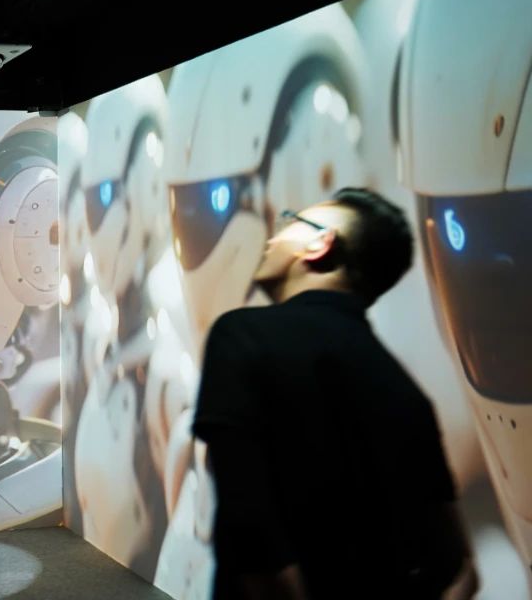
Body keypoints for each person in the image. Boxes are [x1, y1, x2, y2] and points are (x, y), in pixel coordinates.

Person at [192, 188, 479, 599]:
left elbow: (251, 537)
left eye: (290, 220)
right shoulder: (406, 393)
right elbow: (460, 569)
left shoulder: (242, 336)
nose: (273, 236)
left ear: (320, 243)